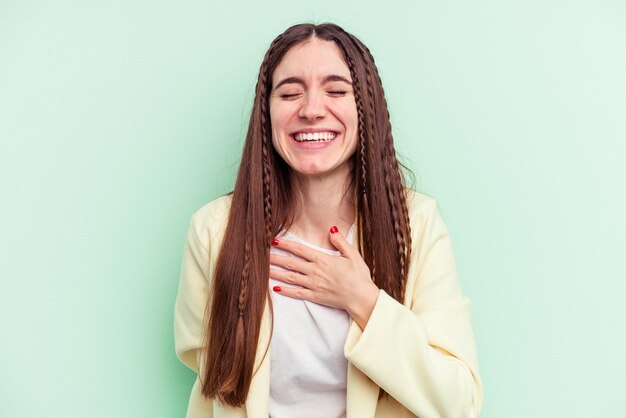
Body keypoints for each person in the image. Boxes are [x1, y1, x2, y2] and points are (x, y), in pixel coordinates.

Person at [174, 23, 483, 418]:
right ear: (267, 112)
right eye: (289, 93)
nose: (312, 109)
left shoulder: (417, 225)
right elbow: (213, 389)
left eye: (336, 90)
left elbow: (458, 403)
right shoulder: (214, 233)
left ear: (365, 106)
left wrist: (364, 301)